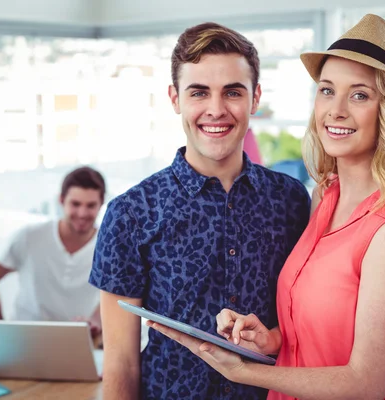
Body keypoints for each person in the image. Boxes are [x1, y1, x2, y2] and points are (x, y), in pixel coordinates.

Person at [148, 14, 385, 400]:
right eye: (326, 90)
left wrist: (245, 372)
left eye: (359, 95)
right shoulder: (326, 197)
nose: (335, 110)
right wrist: (270, 340)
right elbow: (318, 335)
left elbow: (365, 385)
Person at [89, 22, 311, 400]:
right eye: (199, 93)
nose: (216, 109)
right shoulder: (130, 213)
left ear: (255, 98)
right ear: (175, 99)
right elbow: (121, 362)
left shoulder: (291, 201)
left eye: (233, 92)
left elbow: (302, 326)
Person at [0, 166, 105, 337]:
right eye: (75, 204)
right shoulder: (29, 237)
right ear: (61, 200)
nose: (82, 213)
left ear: (101, 204)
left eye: (91, 205)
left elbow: (115, 297)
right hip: (24, 340)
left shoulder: (108, 247)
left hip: (78, 341)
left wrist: (96, 320)